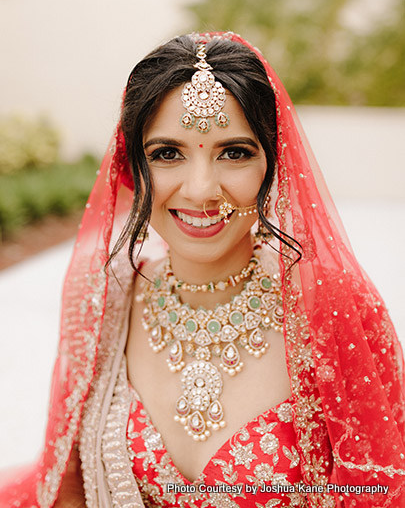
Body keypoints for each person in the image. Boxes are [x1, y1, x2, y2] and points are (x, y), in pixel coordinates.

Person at [0, 32, 404, 508]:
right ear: (131, 168)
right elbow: (68, 485)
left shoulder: (334, 311)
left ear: (274, 166)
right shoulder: (101, 303)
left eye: (234, 152)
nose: (200, 189)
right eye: (167, 153)